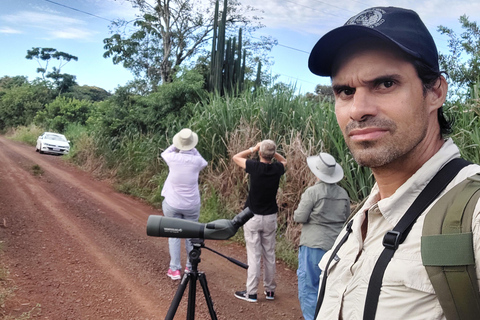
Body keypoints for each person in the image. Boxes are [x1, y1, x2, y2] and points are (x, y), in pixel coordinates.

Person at [307, 6, 480, 320]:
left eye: (385, 84)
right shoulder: (362, 218)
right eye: (345, 91)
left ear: (435, 92)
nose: (358, 109)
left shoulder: (473, 215)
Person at [293, 152, 350, 320]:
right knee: (328, 287)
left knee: (309, 286)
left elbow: (300, 217)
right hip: (335, 246)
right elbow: (347, 218)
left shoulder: (312, 192)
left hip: (313, 244)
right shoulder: (343, 194)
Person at [232, 140, 287, 302]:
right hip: (270, 217)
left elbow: (236, 157)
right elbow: (284, 160)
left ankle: (252, 292)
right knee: (269, 254)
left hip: (252, 216)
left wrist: (253, 149)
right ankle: (270, 291)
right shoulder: (277, 169)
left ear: (261, 154)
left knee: (254, 255)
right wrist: (272, 151)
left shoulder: (254, 167)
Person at [161, 128, 208, 280]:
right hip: (191, 205)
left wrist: (178, 145)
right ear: (192, 145)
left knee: (173, 235)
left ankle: (174, 269)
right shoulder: (197, 161)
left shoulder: (172, 157)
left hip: (173, 203)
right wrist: (191, 148)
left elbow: (165, 152)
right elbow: (203, 160)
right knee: (190, 235)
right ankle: (189, 266)